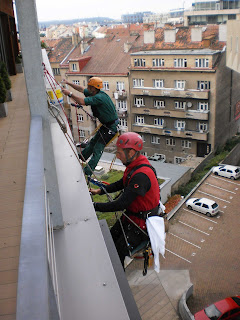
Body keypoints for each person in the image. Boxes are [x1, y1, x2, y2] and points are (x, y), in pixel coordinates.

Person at [90, 132, 161, 267]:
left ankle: (117, 283)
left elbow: (121, 203)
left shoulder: (141, 175)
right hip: (131, 218)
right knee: (109, 240)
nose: (117, 156)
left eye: (119, 153)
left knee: (117, 253)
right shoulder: (134, 167)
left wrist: (94, 206)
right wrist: (100, 191)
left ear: (131, 152)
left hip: (141, 225)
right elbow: (122, 183)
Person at [62, 77, 119, 176]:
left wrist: (69, 94)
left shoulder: (99, 97)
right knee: (92, 142)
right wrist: (68, 83)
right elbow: (80, 89)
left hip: (110, 127)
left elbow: (82, 102)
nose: (87, 87)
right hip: (107, 125)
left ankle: (87, 172)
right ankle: (82, 157)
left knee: (98, 149)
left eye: (89, 86)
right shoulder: (95, 93)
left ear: (94, 88)